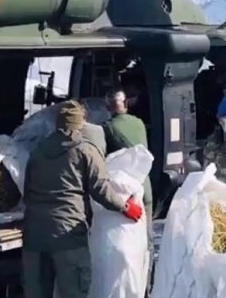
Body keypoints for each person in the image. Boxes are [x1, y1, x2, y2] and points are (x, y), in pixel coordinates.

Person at [21, 100, 143, 298]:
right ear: (81, 123)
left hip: (34, 236)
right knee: (74, 291)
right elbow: (101, 190)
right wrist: (125, 207)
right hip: (67, 235)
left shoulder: (38, 151)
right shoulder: (85, 150)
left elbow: (28, 193)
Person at [102, 89, 156, 288]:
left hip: (127, 193)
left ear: (108, 107)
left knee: (127, 242)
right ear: (126, 103)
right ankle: (147, 286)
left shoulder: (106, 128)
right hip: (145, 187)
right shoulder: (139, 123)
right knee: (146, 242)